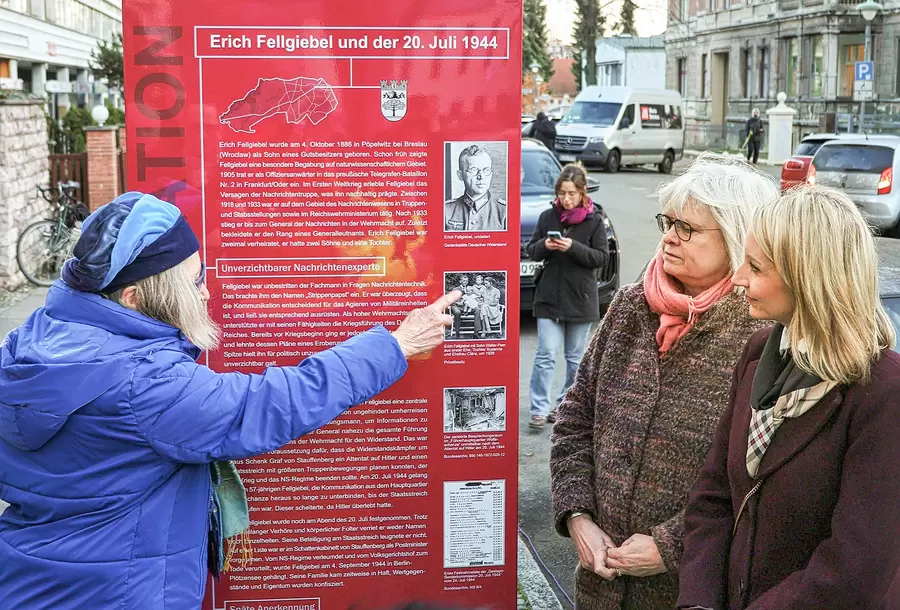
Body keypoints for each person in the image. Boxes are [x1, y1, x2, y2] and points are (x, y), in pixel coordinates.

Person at [0, 192, 459, 609]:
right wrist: (394, 346)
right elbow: (271, 402)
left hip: (31, 577)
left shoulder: (37, 337)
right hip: (117, 593)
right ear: (135, 298)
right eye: (193, 282)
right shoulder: (145, 386)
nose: (206, 292)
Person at [550, 154, 778, 609]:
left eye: (687, 228)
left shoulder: (762, 334)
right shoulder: (631, 307)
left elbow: (766, 482)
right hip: (601, 584)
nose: (669, 237)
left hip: (693, 591)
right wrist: (577, 515)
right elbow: (575, 416)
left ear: (736, 235)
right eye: (667, 222)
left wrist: (672, 547)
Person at [677, 185, 900, 610]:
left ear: (810, 281)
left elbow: (853, 572)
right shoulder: (760, 353)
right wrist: (698, 603)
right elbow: (713, 497)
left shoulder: (884, 395)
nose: (738, 278)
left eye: (755, 267)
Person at [526, 163, 609, 429]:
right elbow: (532, 250)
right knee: (546, 354)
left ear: (582, 192)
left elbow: (600, 258)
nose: (566, 199)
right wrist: (546, 245)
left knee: (575, 358)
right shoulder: (547, 216)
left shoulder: (595, 221)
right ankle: (539, 408)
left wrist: (573, 247)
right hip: (549, 296)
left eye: (572, 193)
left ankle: (564, 404)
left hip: (580, 298)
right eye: (562, 193)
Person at [444, 144, 507, 232]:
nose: (481, 176)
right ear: (460, 175)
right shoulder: (446, 210)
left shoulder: (504, 211)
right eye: (473, 170)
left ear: (491, 174)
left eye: (486, 170)